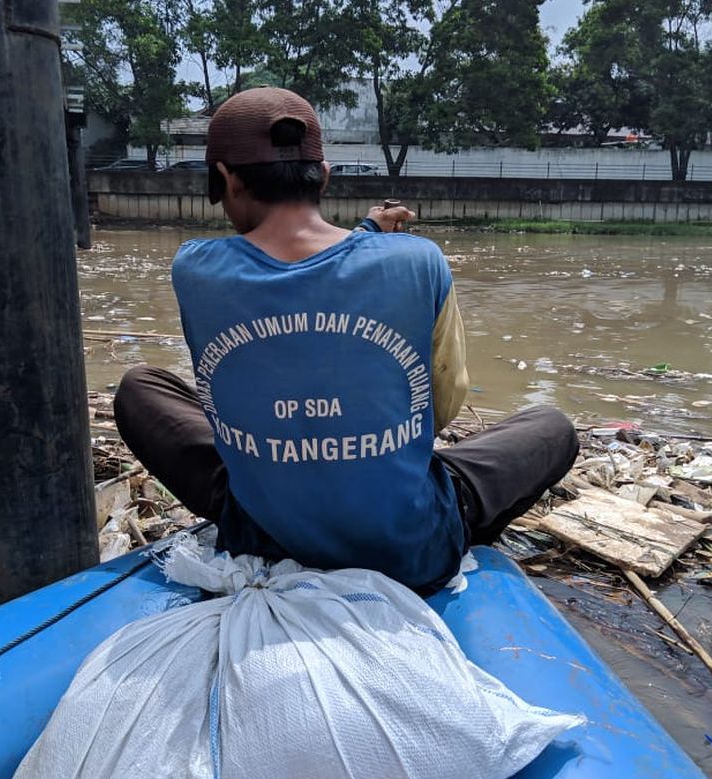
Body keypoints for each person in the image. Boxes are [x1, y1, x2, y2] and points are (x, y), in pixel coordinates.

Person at [114, 88, 578, 594]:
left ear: (225, 178)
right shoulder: (418, 262)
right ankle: (461, 534)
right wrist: (369, 236)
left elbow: (290, 281)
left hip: (264, 535)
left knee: (141, 389)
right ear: (325, 175)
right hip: (408, 551)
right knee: (550, 427)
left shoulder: (196, 269)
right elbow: (440, 409)